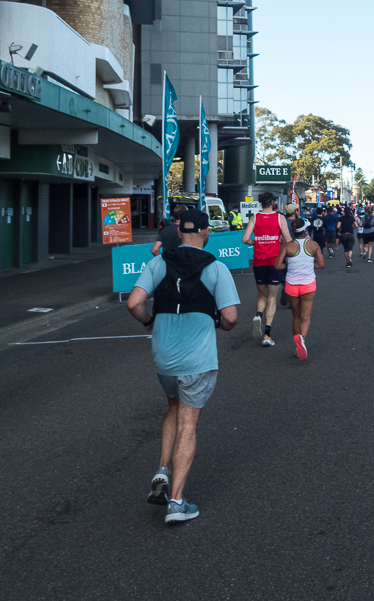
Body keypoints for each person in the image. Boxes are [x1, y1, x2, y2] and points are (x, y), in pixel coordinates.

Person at [126, 208, 239, 524]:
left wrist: (148, 321)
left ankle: (163, 469)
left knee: (173, 409)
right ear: (206, 233)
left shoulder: (159, 262)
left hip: (164, 357)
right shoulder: (216, 268)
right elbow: (230, 317)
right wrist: (218, 323)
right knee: (188, 420)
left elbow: (133, 302)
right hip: (197, 359)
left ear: (179, 234)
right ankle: (176, 502)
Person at [242, 192, 290, 345]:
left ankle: (258, 315)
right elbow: (288, 240)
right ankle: (267, 335)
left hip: (258, 262)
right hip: (274, 261)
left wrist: (259, 242)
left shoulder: (255, 218)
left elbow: (245, 239)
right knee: (272, 298)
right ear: (273, 203)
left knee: (262, 295)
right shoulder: (279, 218)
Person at [275, 218, 325, 360]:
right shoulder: (313, 245)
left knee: (296, 316)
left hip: (291, 285)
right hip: (308, 284)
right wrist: (308, 264)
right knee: (306, 316)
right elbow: (321, 265)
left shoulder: (286, 246)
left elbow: (278, 265)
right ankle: (302, 340)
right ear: (305, 231)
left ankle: (298, 345)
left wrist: (289, 265)